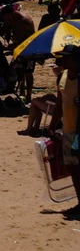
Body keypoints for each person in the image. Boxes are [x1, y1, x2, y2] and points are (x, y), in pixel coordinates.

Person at [55, 48, 80, 218]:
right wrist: (51, 125)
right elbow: (59, 103)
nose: (63, 61)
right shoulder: (62, 77)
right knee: (73, 168)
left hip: (78, 132)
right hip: (67, 130)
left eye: (67, 58)